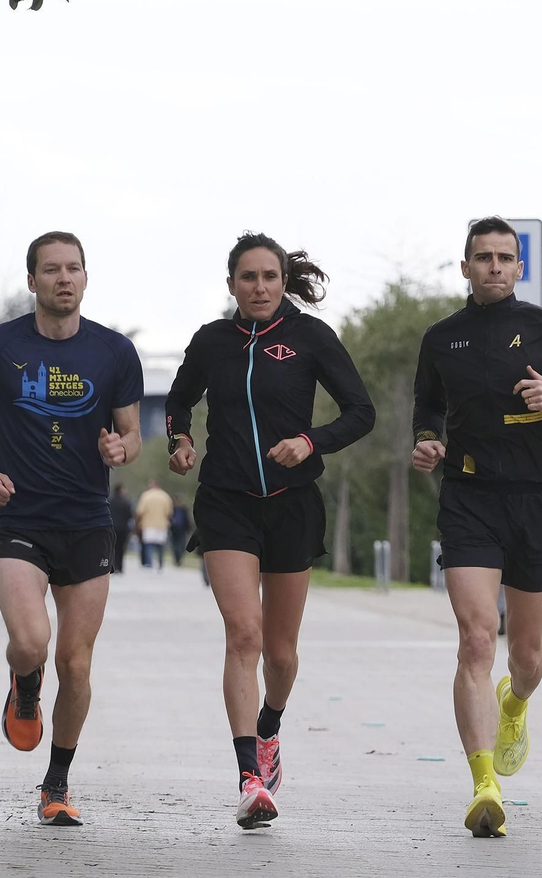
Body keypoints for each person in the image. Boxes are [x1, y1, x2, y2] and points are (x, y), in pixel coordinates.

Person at [411, 216, 542, 838]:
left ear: (519, 267)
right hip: (469, 497)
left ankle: (515, 701)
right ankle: (484, 787)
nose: (495, 267)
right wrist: (427, 442)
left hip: (536, 502)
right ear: (465, 267)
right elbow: (427, 408)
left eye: (506, 257)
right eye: (483, 257)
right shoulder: (441, 337)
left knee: (526, 657)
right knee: (477, 638)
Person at [165, 232, 375, 829]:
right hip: (226, 502)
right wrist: (181, 440)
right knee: (243, 633)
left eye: (270, 277)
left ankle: (270, 728)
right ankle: (249, 775)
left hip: (292, 503)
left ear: (285, 282)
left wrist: (311, 441)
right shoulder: (211, 341)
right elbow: (178, 402)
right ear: (231, 283)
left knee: (280, 654)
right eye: (248, 277)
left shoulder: (311, 338)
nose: (259, 287)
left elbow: (362, 411)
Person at [0, 231, 143, 827]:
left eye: (73, 268)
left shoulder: (114, 353)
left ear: (85, 278)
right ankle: (24, 686)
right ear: (32, 280)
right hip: (19, 517)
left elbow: (131, 435)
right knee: (31, 644)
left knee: (75, 664)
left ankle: (56, 783)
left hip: (86, 521)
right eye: (51, 269)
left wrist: (119, 448)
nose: (63, 278)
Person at [135, 479, 173, 571]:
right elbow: (169, 512)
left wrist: (138, 523)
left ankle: (149, 564)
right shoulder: (165, 496)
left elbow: (140, 511)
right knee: (160, 545)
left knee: (149, 545)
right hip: (162, 524)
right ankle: (160, 564)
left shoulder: (146, 496)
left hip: (148, 524)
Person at [108, 484, 134, 574]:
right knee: (121, 548)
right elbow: (130, 515)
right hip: (123, 528)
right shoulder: (126, 502)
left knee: (113, 548)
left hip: (112, 527)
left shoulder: (110, 500)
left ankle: (113, 566)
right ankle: (120, 567)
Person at [169, 502, 191, 567]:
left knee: (175, 544)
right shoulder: (183, 509)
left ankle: (177, 558)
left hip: (175, 530)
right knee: (181, 544)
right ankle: (179, 557)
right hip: (182, 530)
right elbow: (187, 520)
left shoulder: (173, 509)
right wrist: (189, 529)